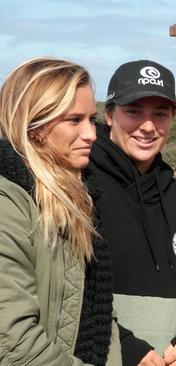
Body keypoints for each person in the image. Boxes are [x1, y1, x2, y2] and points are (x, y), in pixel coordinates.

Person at [87, 60, 176, 366]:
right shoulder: (81, 190)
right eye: (133, 111)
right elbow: (72, 298)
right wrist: (127, 348)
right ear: (108, 115)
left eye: (160, 114)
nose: (148, 126)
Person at [0, 58, 121, 365]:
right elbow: (13, 344)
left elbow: (104, 315)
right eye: (74, 120)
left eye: (91, 119)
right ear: (35, 126)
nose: (92, 134)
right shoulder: (9, 203)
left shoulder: (79, 196)